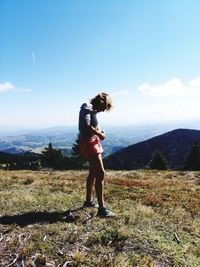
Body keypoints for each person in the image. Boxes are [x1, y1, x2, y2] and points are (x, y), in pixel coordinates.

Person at [79, 92, 116, 217]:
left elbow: (91, 127)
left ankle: (88, 201)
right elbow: (87, 125)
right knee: (101, 173)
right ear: (101, 101)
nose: (104, 110)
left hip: (92, 142)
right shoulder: (87, 106)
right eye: (105, 106)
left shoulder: (92, 110)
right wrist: (100, 134)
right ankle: (102, 209)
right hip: (90, 143)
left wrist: (99, 133)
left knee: (93, 173)